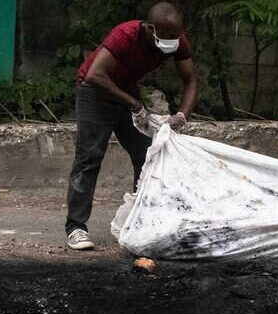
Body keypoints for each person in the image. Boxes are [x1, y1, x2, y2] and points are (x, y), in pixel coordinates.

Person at [65, 2, 198, 250]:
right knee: (89, 157)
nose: (170, 41)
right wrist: (135, 104)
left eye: (175, 36)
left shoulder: (177, 40)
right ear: (149, 29)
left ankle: (140, 220)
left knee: (145, 153)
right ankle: (76, 228)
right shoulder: (125, 35)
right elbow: (95, 74)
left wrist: (182, 114)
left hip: (126, 92)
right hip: (94, 91)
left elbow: (190, 80)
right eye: (165, 35)